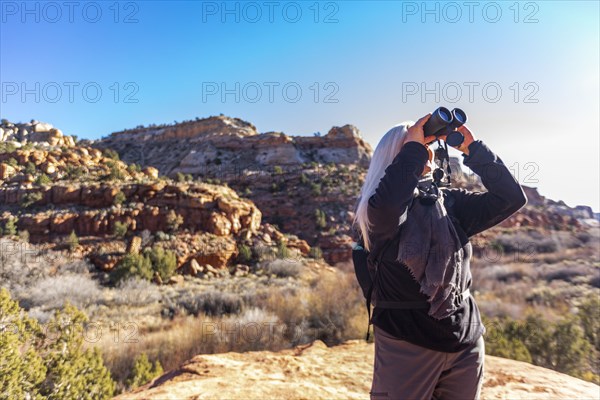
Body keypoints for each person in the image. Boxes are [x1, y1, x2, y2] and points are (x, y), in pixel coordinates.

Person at [352, 113, 528, 400]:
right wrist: (412, 146)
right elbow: (388, 206)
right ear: (397, 157)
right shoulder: (375, 215)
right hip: (405, 345)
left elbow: (511, 198)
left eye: (428, 149)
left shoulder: (449, 204)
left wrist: (474, 150)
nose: (427, 154)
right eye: (417, 148)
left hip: (465, 343)